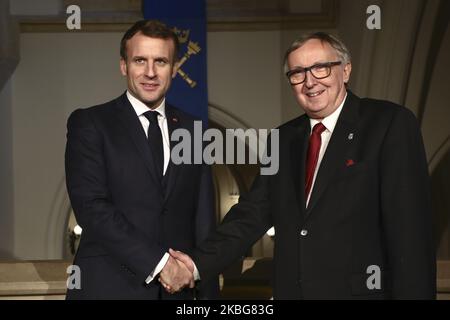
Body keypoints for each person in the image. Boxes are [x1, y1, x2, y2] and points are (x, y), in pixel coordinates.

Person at [162, 32, 436, 299]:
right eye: (298, 73)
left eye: (320, 68)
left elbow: (411, 235)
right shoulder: (282, 139)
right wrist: (194, 265)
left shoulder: (388, 124)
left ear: (346, 70)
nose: (310, 81)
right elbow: (250, 215)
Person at [64, 19, 218, 299]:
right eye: (139, 61)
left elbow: (204, 219)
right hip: (108, 289)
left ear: (173, 69)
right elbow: (91, 208)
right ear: (124, 65)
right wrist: (161, 265)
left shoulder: (195, 130)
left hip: (179, 294)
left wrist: (207, 296)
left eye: (160, 61)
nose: (150, 72)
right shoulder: (90, 123)